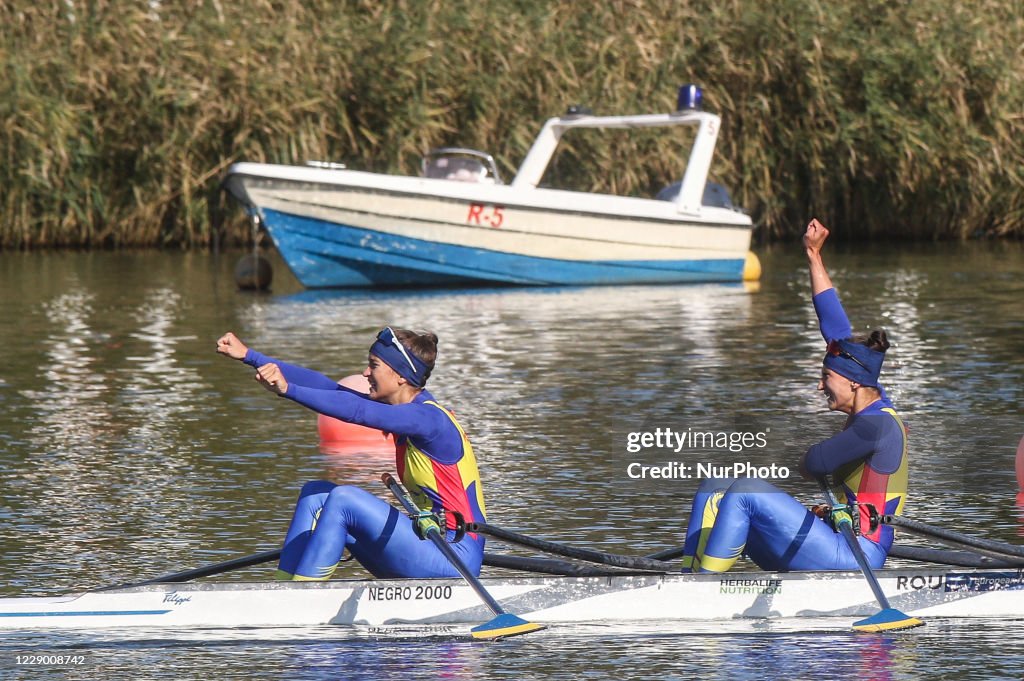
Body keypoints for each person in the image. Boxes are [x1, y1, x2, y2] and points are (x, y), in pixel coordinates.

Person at [679, 218, 908, 573]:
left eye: (826, 377)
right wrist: (813, 255)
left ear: (853, 383)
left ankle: (703, 589)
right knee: (714, 488)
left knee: (746, 491)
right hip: (835, 540)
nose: (819, 386)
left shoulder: (876, 426)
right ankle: (688, 579)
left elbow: (814, 463)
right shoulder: (871, 394)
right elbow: (835, 326)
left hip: (857, 555)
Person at [216, 327, 487, 580]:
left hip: (454, 556)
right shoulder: (403, 412)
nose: (365, 373)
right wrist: (249, 356)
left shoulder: (429, 419)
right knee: (316, 494)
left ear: (401, 375)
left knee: (344, 499)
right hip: (425, 543)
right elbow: (328, 388)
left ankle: (304, 596)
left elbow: (356, 411)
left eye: (373, 365)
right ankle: (284, 587)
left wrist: (287, 390)